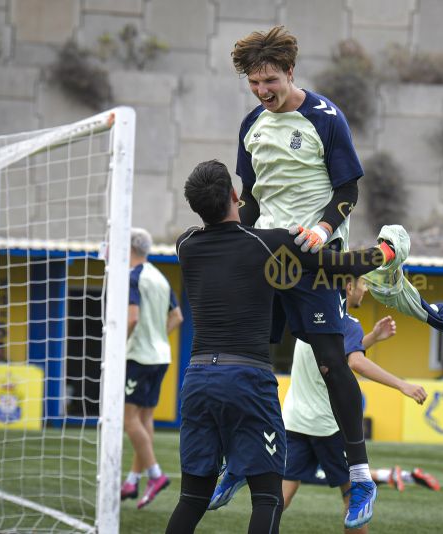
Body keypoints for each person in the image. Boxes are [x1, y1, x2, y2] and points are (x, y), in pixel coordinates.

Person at [165, 159, 397, 534]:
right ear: (235, 196)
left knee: (191, 497)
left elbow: (234, 223)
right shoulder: (270, 243)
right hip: (247, 379)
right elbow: (339, 266)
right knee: (268, 496)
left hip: (197, 379)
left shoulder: (186, 245)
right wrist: (387, 252)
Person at [231, 25, 378, 528]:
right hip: (266, 256)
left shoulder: (325, 117)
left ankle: (360, 477)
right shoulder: (252, 124)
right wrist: (232, 240)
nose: (262, 91)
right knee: (243, 362)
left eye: (269, 80)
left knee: (334, 363)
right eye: (254, 83)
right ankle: (243, 461)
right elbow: (249, 201)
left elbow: (348, 189)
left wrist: (323, 226)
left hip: (316, 259)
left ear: (290, 72)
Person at [209, 277, 433, 533]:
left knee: (278, 497)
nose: (366, 290)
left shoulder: (309, 316)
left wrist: (371, 338)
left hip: (295, 421)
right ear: (349, 288)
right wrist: (402, 385)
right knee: (354, 499)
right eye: (363, 284)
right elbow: (355, 362)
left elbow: (335, 354)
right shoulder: (347, 324)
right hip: (329, 428)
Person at [120, 228, 183, 509]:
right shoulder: (158, 276)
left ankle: (155, 475)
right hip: (161, 355)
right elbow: (177, 316)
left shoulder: (133, 276)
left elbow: (132, 319)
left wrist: (116, 347)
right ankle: (133, 479)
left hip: (139, 356)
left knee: (128, 419)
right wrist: (157, 335)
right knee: (144, 419)